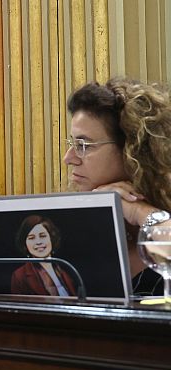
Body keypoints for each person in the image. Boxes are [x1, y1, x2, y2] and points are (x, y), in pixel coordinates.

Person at [64, 77, 171, 295]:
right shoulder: (74, 224)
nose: (69, 158)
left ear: (132, 148)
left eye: (83, 145)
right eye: (72, 144)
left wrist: (138, 211)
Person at [10, 215, 76, 296]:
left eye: (42, 236)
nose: (38, 242)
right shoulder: (19, 276)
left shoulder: (65, 270)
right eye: (31, 238)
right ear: (25, 244)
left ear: (52, 238)